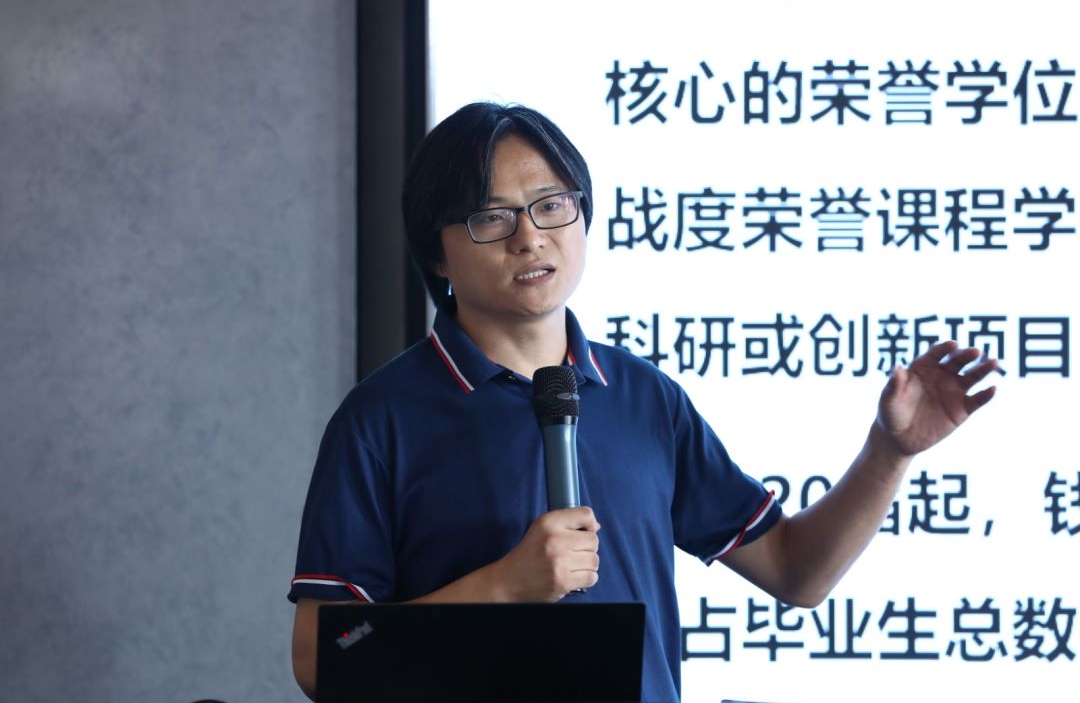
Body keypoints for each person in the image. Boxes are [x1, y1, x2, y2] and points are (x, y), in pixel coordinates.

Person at [288, 102, 998, 701]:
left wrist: (888, 451)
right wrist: (502, 587)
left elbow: (795, 571)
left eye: (552, 205)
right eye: (491, 217)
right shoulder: (381, 420)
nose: (530, 237)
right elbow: (325, 657)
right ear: (437, 253)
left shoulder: (643, 397)